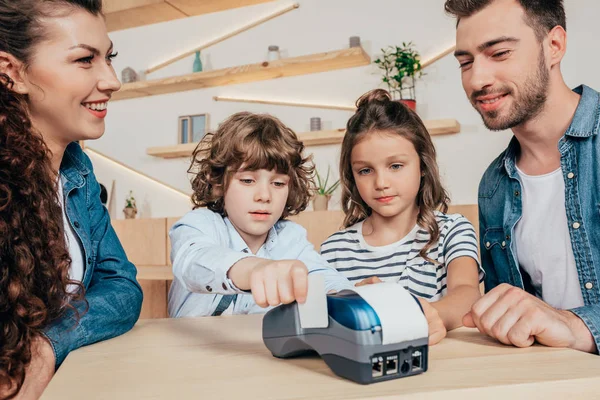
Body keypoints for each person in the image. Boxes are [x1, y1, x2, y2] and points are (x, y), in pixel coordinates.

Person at [0, 1, 143, 397]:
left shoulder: (77, 170)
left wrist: (47, 346)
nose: (112, 80)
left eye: (109, 58)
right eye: (85, 59)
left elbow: (122, 287)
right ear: (11, 72)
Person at [446, 0, 599, 353]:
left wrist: (578, 327)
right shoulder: (494, 185)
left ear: (554, 46)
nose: (477, 79)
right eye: (465, 63)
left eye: (499, 53)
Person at [321, 89, 483, 345]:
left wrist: (417, 317)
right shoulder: (335, 249)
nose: (381, 183)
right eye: (365, 170)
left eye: (396, 166)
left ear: (422, 165)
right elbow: (324, 318)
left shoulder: (454, 230)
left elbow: (467, 294)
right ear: (352, 177)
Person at [168, 112, 353, 318]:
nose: (265, 196)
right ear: (218, 183)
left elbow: (320, 275)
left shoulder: (290, 237)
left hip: (257, 349)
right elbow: (193, 261)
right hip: (189, 349)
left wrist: (347, 295)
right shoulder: (199, 224)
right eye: (247, 180)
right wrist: (254, 269)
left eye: (278, 183)